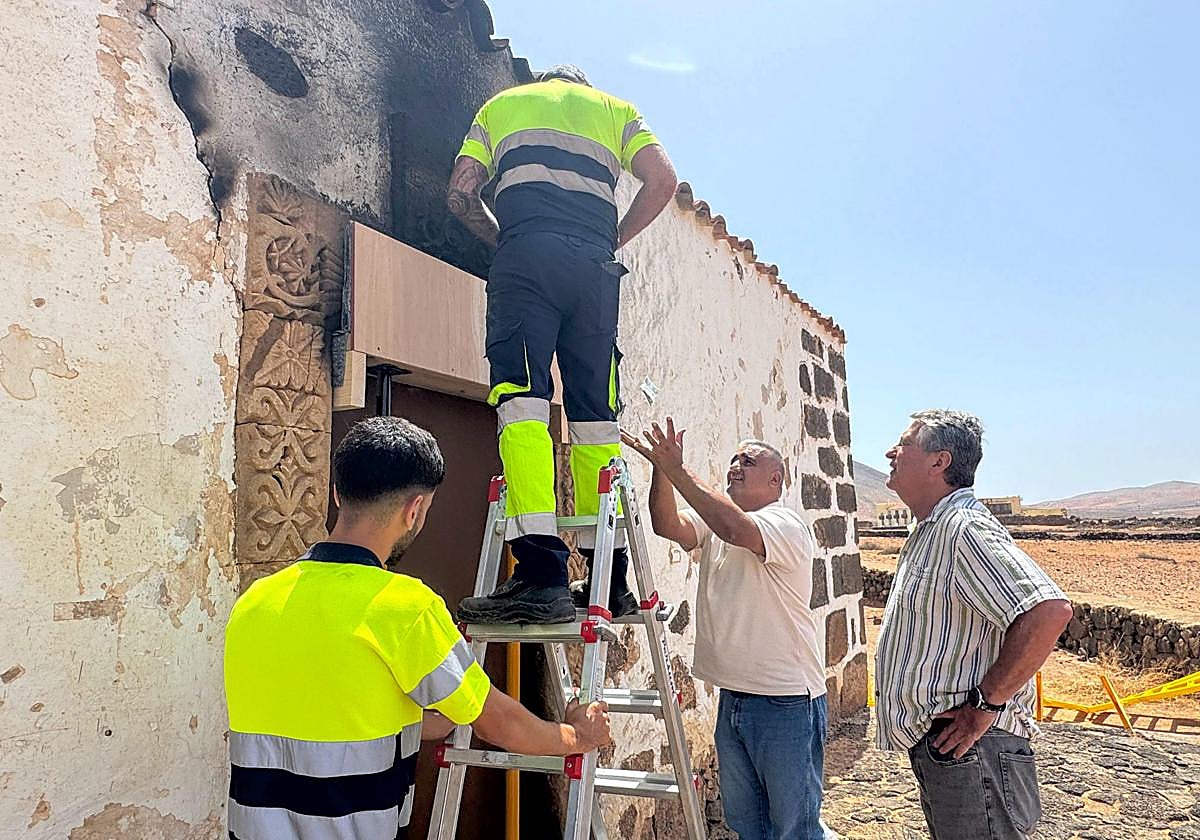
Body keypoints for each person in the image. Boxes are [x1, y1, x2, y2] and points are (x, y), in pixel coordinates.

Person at [223, 417, 611, 840]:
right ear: (415, 509)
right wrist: (576, 734)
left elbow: (332, 725)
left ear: (337, 494)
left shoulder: (254, 602)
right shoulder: (405, 606)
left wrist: (441, 709)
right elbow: (497, 721)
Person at [448, 64, 678, 625]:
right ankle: (613, 576)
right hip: (597, 271)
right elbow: (664, 182)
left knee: (523, 405)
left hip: (526, 260)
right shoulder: (617, 109)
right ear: (580, 83)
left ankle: (541, 573)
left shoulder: (500, 106)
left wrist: (507, 242)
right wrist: (609, 238)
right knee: (596, 416)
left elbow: (459, 194)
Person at [622, 417, 829, 840]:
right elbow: (667, 525)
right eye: (733, 459)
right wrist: (662, 470)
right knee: (747, 824)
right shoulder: (716, 525)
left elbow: (735, 528)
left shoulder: (783, 523)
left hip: (785, 702)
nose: (735, 465)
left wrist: (678, 469)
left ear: (775, 480)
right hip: (735, 697)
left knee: (794, 827)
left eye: (747, 461)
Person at [875, 410, 1072, 840]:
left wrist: (984, 706)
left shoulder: (963, 529)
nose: (891, 452)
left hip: (975, 749)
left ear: (938, 462)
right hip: (953, 749)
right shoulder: (931, 529)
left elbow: (1048, 611)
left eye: (904, 443)